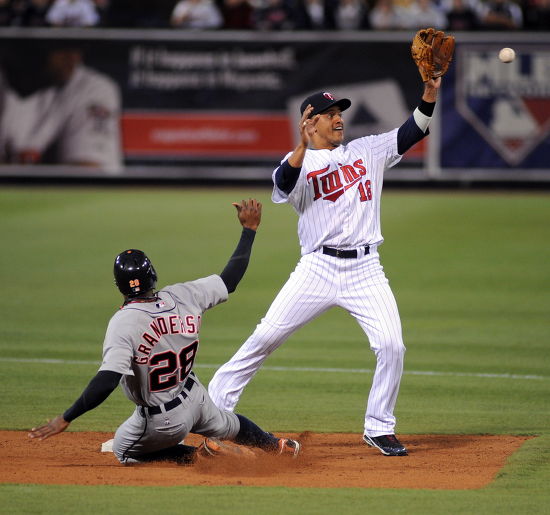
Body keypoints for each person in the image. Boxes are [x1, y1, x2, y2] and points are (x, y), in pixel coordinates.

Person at [208, 67, 444, 458]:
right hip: (317, 269)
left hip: (366, 269)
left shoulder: (366, 150)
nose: (339, 118)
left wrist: (429, 94)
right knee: (264, 338)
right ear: (309, 122)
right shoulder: (299, 163)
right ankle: (215, 414)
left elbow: (412, 131)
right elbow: (283, 183)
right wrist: (300, 147)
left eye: (340, 111)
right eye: (330, 113)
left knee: (392, 345)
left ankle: (379, 427)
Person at [29, 199, 301, 464]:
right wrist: (248, 231)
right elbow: (229, 280)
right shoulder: (182, 296)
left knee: (123, 450)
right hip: (196, 397)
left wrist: (67, 416)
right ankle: (276, 444)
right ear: (153, 276)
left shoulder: (123, 322)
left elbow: (108, 380)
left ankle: (199, 457)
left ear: (120, 286)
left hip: (164, 420)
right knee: (230, 424)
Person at [0, 44, 122, 172]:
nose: (72, 57)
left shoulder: (91, 87)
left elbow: (88, 177)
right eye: (60, 46)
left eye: (75, 45)